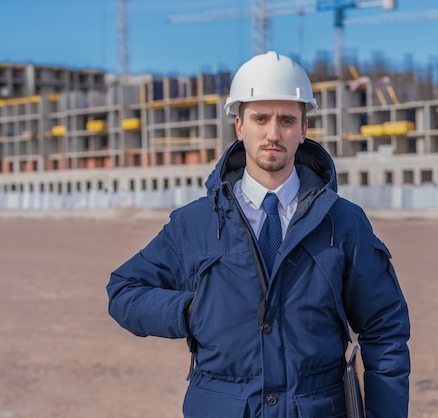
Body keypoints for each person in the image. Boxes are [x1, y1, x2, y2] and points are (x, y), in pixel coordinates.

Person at [107, 51, 410, 418]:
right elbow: (124, 292)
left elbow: (384, 332)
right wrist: (188, 312)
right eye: (260, 118)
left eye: (286, 120)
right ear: (239, 126)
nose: (272, 133)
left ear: (303, 130)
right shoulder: (194, 224)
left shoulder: (343, 223)